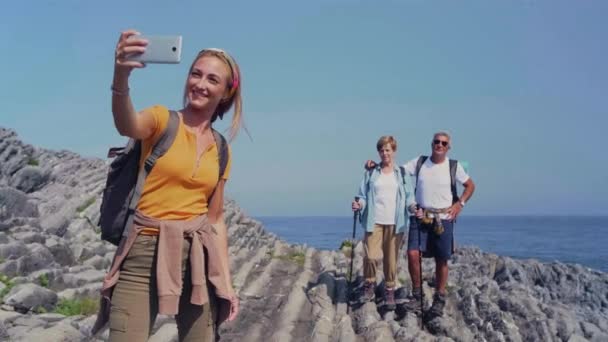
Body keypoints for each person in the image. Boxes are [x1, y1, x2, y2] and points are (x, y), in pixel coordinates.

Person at [92, 30, 242, 341]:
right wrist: (121, 76)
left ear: (226, 92)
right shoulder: (161, 119)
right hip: (143, 248)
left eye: (212, 80)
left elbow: (215, 220)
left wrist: (225, 283)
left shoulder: (222, 148)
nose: (200, 84)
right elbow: (127, 123)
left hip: (197, 256)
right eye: (195, 74)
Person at [366, 131, 476, 319]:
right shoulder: (420, 162)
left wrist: (460, 204)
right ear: (431, 143)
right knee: (412, 253)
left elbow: (470, 186)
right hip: (420, 216)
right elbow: (396, 171)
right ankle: (417, 296)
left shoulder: (454, 166)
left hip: (444, 218)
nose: (439, 145)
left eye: (443, 143)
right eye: (436, 142)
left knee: (442, 259)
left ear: (448, 147)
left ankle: (439, 299)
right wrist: (377, 166)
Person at [352, 136, 415, 310]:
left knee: (391, 259)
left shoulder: (401, 173)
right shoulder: (371, 172)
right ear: (378, 152)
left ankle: (389, 290)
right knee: (371, 256)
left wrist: (413, 208)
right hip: (375, 221)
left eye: (388, 150)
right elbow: (363, 196)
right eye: (382, 150)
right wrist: (359, 204)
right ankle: (369, 285)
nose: (385, 153)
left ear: (394, 151)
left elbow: (410, 196)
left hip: (396, 223)